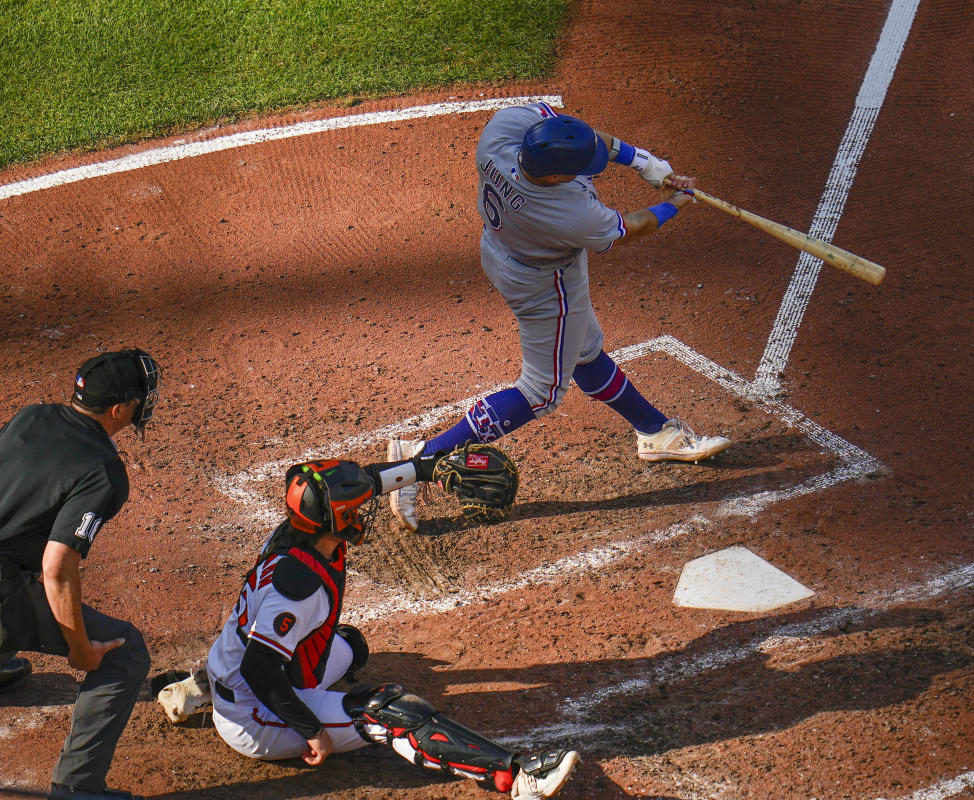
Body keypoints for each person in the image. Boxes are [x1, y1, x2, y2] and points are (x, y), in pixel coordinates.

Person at [388, 101, 730, 530]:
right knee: (541, 391)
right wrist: (676, 202)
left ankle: (655, 431)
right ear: (553, 176)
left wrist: (644, 162)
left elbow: (575, 132)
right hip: (545, 285)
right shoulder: (567, 211)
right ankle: (422, 458)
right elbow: (628, 229)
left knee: (585, 351)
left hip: (500, 251)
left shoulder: (503, 132)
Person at [200, 458, 579, 799]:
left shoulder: (302, 533)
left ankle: (199, 684)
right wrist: (311, 728)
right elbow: (258, 668)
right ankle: (516, 775)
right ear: (336, 517)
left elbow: (369, 479)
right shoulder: (299, 589)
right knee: (389, 710)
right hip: (255, 715)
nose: (363, 512)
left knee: (349, 645)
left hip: (241, 672)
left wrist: (428, 468)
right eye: (355, 509)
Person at [0, 349, 162, 800]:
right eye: (139, 397)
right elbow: (57, 566)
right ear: (119, 410)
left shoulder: (32, 416)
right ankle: (78, 787)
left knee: (17, 564)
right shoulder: (104, 471)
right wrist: (79, 648)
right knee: (123, 652)